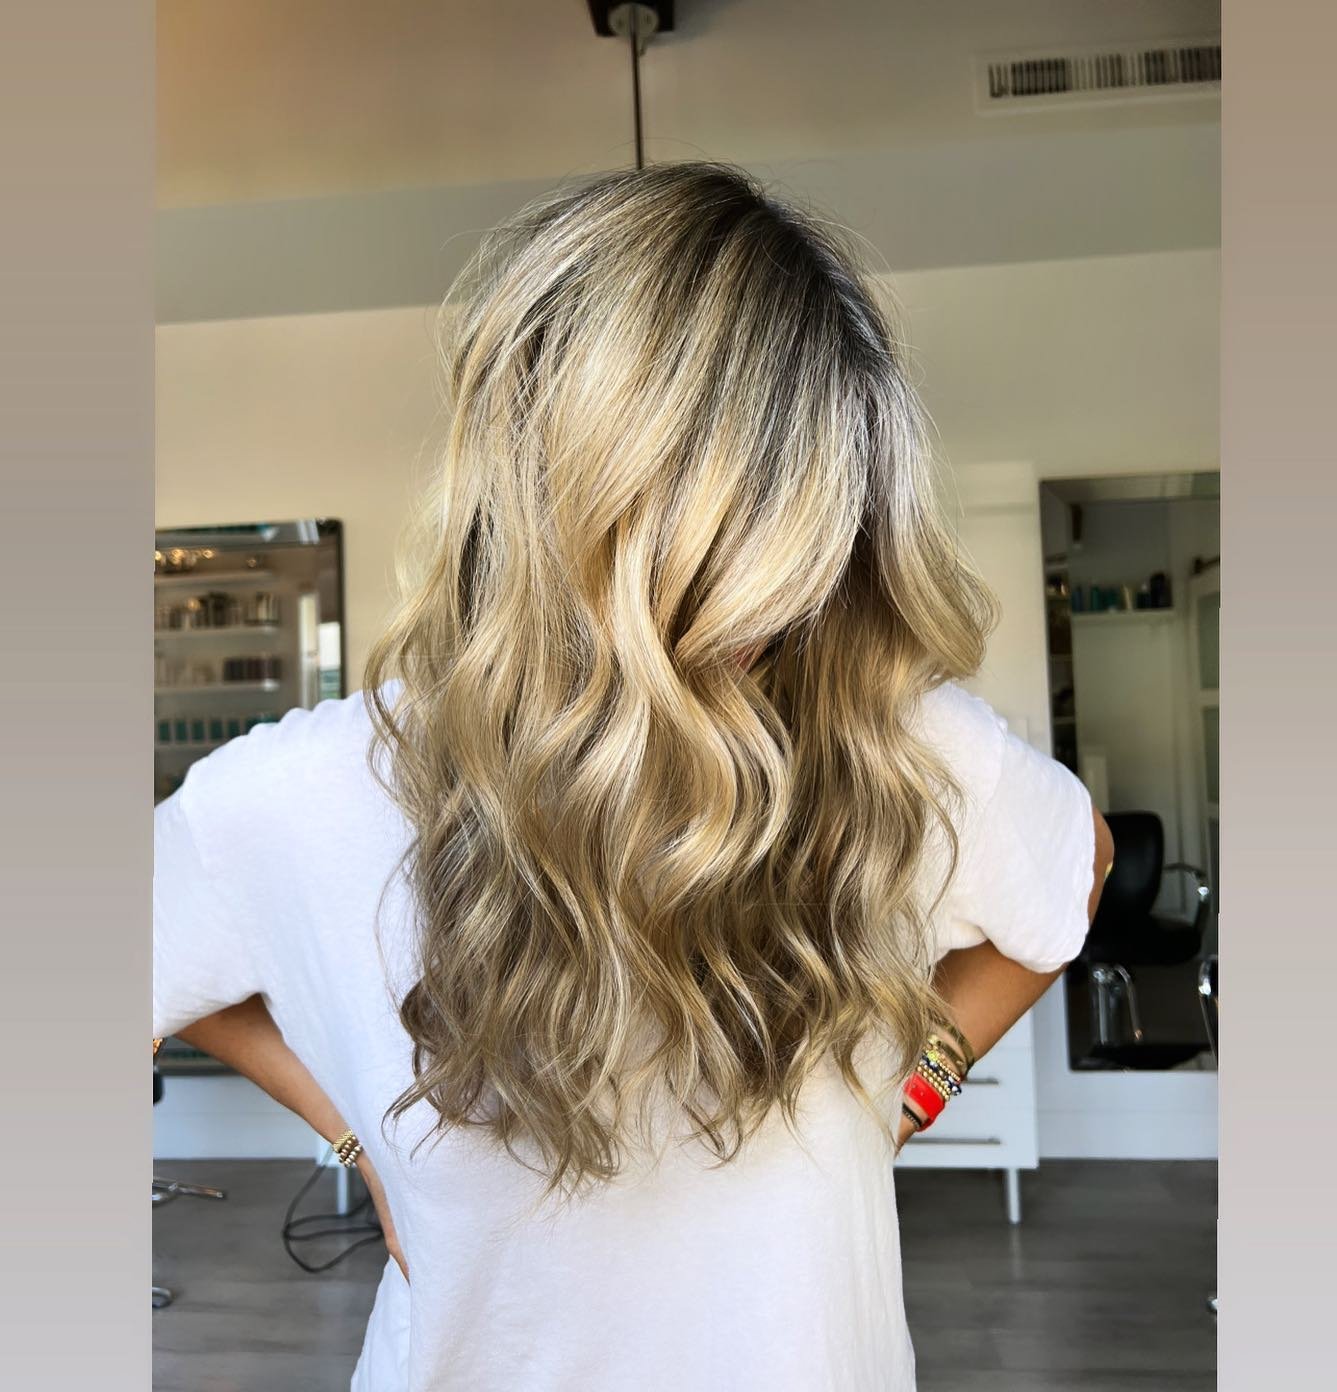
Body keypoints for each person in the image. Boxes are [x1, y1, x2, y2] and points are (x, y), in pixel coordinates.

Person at [153, 161, 1113, 1392]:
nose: (776, 608)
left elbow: (1067, 861)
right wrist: (354, 1131)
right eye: (735, 539)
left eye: (814, 536)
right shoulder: (298, 795)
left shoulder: (887, 735)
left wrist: (911, 1088)